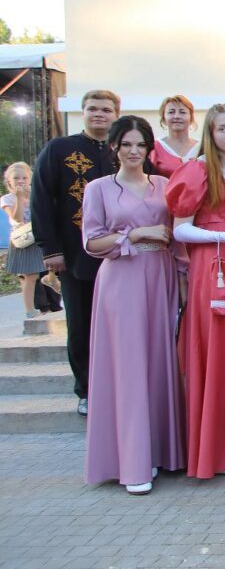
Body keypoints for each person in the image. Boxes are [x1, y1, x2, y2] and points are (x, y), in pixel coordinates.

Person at [82, 115, 185, 494]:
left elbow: (177, 238)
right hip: (121, 278)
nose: (133, 151)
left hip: (161, 276)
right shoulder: (99, 189)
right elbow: (92, 243)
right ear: (115, 147)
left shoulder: (163, 184)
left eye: (140, 144)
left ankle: (159, 452)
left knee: (159, 361)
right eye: (126, 144)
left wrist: (184, 278)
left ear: (148, 148)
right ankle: (132, 462)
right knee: (127, 366)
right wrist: (137, 232)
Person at [165, 103, 225, 479]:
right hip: (215, 267)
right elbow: (181, 229)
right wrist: (221, 235)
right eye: (222, 129)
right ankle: (220, 451)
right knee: (221, 357)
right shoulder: (198, 170)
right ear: (210, 132)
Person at [31, 89, 120, 416]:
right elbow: (41, 199)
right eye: (93, 109)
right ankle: (85, 389)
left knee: (115, 324)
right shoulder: (61, 149)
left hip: (119, 254)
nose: (99, 114)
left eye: (106, 109)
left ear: (115, 114)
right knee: (81, 323)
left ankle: (115, 385)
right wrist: (50, 249)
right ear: (82, 112)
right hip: (75, 253)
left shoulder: (122, 150)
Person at [3, 162, 48, 318]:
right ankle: (29, 310)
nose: (21, 181)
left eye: (24, 177)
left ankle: (54, 296)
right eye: (16, 178)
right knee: (29, 275)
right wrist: (19, 198)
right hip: (24, 240)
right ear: (9, 182)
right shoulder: (7, 199)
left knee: (53, 268)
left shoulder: (37, 193)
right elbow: (17, 217)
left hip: (40, 235)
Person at [150, 95, 199, 178]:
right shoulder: (154, 148)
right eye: (171, 112)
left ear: (191, 117)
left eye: (182, 112)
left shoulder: (202, 147)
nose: (177, 116)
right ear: (164, 118)